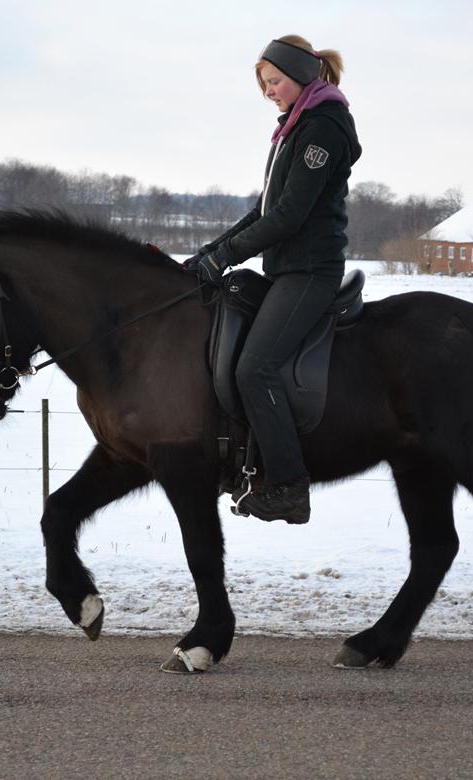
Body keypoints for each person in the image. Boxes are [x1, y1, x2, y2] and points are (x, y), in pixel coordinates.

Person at [185, 35, 361, 524]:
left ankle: (287, 486)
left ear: (302, 74)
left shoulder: (323, 127)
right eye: (263, 85)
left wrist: (224, 258)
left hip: (310, 272)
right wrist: (208, 255)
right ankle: (239, 462)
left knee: (254, 368)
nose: (269, 91)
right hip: (284, 269)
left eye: (275, 80)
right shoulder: (294, 126)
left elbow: (287, 217)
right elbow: (262, 211)